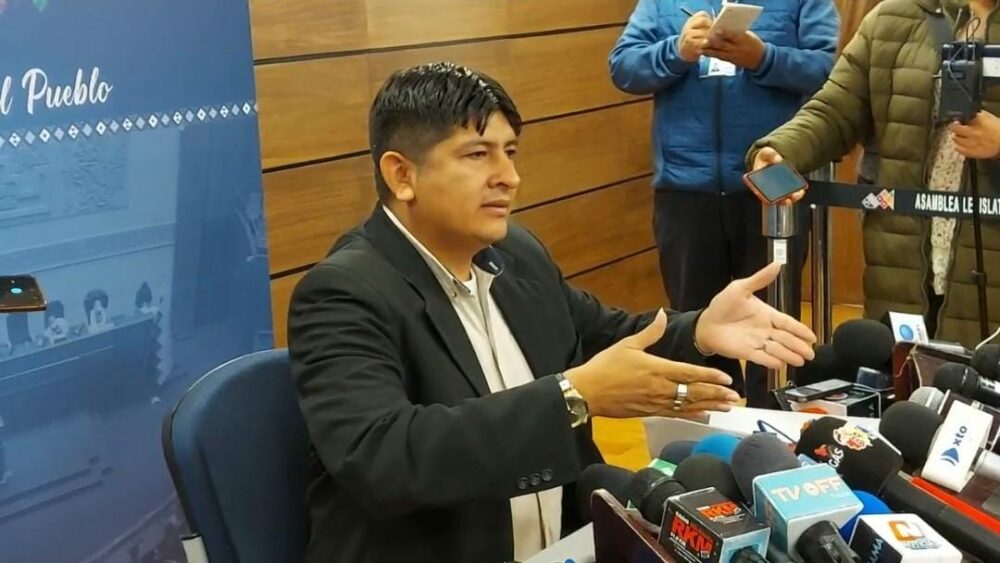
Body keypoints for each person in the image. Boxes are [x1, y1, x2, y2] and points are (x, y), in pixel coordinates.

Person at [288, 62, 818, 563]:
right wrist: (573, 397)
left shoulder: (516, 253)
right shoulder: (343, 292)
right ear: (402, 174)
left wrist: (699, 329)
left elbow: (605, 336)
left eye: (510, 152)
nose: (509, 177)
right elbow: (384, 456)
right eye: (478, 155)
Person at [608, 0, 838, 406]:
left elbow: (827, 72)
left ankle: (774, 424)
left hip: (770, 182)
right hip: (684, 186)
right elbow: (623, 67)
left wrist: (762, 58)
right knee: (695, 324)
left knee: (773, 320)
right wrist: (677, 51)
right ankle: (709, 428)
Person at [749, 0, 1000, 346]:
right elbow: (835, 109)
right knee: (901, 375)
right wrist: (783, 150)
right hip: (900, 263)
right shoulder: (892, 17)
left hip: (990, 271)